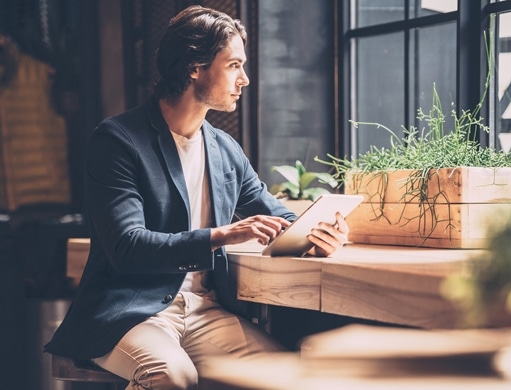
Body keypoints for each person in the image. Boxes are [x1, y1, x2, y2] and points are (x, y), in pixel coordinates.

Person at [44, 5, 349, 389]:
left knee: (289, 375)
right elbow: (127, 246)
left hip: (206, 311)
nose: (246, 79)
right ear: (195, 67)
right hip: (131, 312)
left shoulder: (225, 149)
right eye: (234, 65)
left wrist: (318, 236)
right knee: (171, 374)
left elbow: (275, 216)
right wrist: (223, 235)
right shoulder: (118, 140)